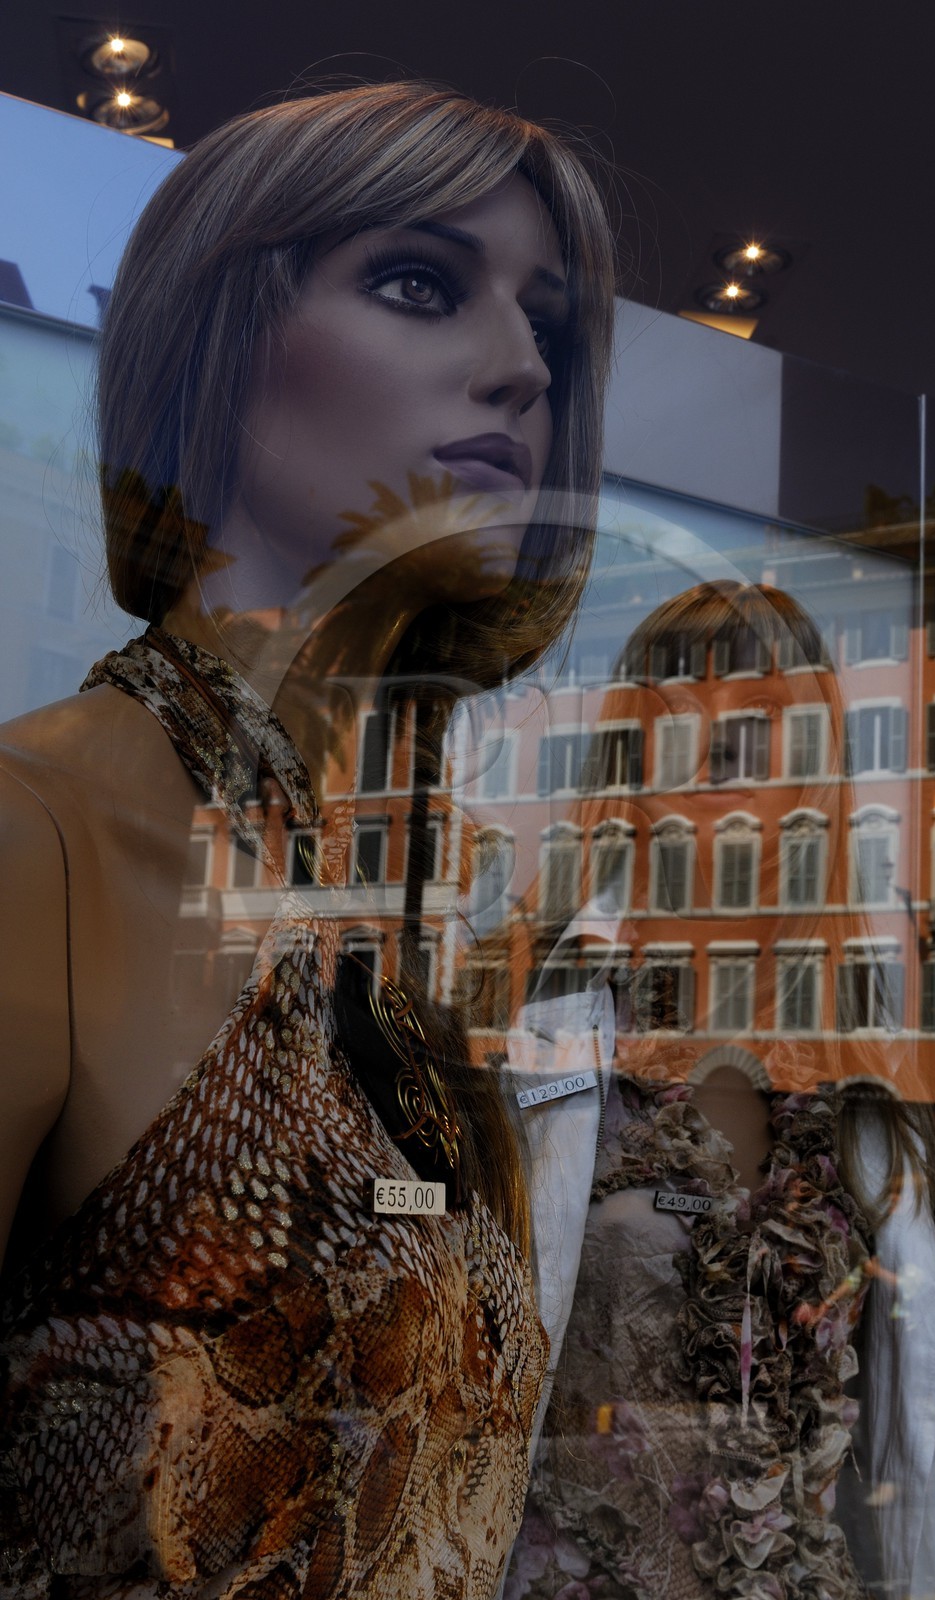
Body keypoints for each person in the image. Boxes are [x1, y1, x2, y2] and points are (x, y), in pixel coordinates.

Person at [0, 82, 615, 1599]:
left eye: (546, 320)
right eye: (418, 283)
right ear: (220, 339)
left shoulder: (423, 917)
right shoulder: (42, 836)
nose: (523, 365)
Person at [503, 581, 935, 1600]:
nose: (713, 749)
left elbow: (901, 1455)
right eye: (677, 717)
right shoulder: (543, 1025)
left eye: (755, 719)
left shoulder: (861, 1084)